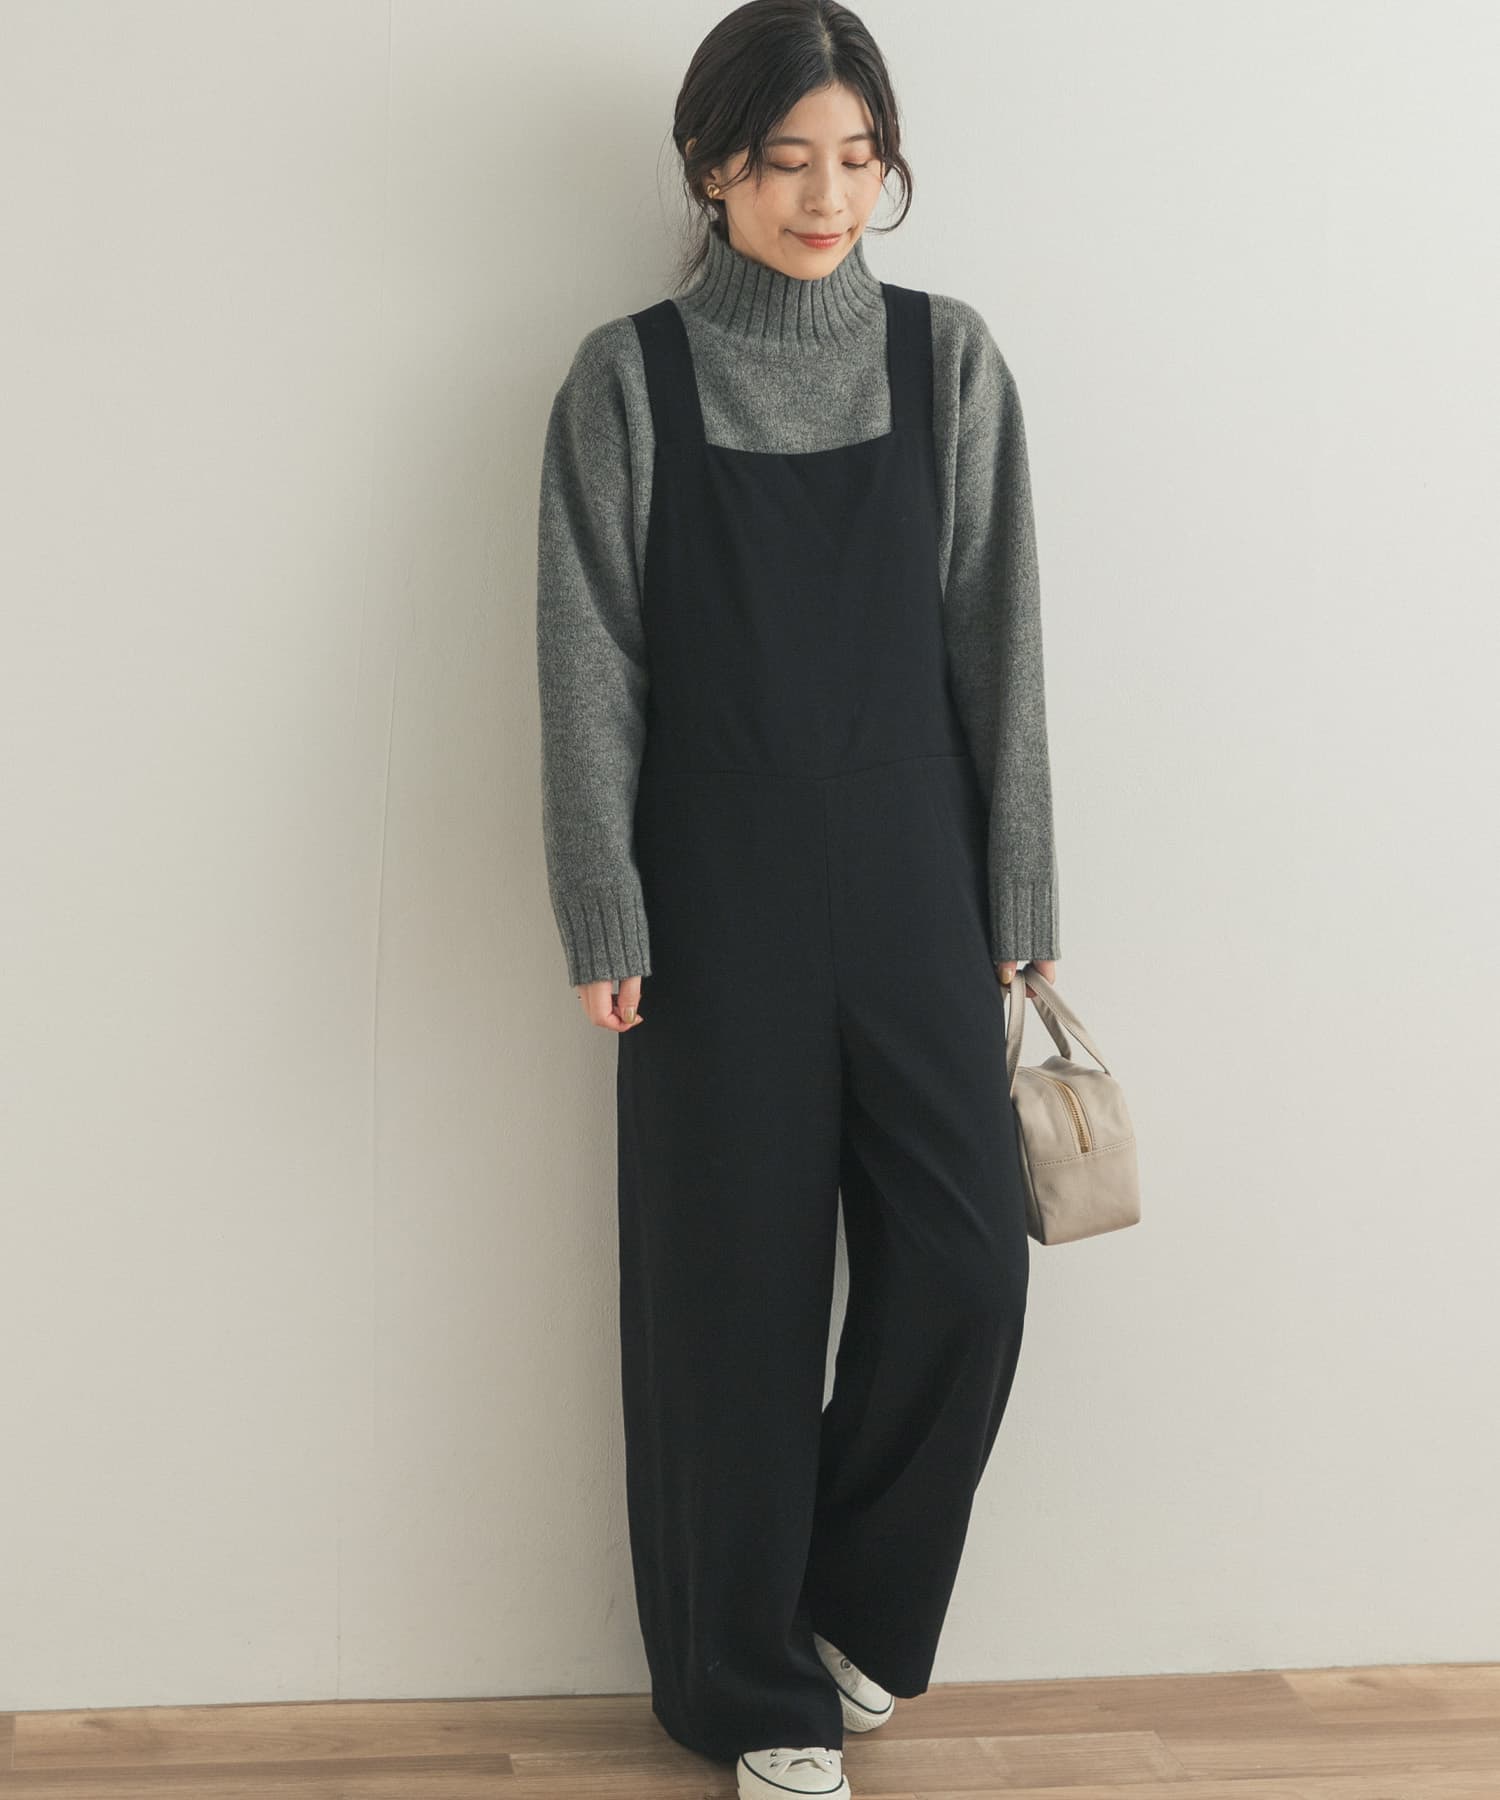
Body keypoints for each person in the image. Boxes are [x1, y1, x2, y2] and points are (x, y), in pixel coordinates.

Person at [535, 4, 1061, 1795]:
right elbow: (590, 662)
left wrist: (1020, 883)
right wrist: (602, 906)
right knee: (729, 1312)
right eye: (786, 160)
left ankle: (847, 1623)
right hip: (710, 897)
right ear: (713, 167)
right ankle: (753, 1702)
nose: (829, 195)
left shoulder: (947, 358)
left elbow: (999, 640)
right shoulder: (627, 380)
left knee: (968, 1269)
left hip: (918, 880)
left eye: (858, 157)